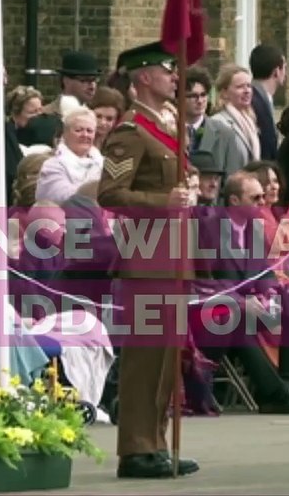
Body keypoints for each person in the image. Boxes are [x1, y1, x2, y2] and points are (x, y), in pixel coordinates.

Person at [97, 41, 198, 480]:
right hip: (146, 256)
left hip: (171, 255)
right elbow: (111, 193)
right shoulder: (130, 132)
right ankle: (135, 447)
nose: (174, 77)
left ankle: (155, 441)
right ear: (142, 78)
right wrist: (164, 200)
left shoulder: (166, 127)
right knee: (144, 358)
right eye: (165, 70)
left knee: (165, 358)